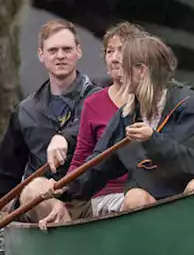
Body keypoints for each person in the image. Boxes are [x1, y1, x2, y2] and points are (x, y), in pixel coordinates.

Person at [40, 35, 194, 228]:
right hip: (148, 199)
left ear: (142, 71)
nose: (120, 74)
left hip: (182, 196)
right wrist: (65, 188)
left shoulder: (187, 102)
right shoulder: (126, 115)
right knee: (134, 197)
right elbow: (99, 164)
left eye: (125, 67)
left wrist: (152, 139)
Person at [0, 19, 100, 234]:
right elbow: (4, 171)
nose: (60, 55)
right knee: (33, 188)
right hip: (38, 201)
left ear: (78, 52)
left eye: (67, 49)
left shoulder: (99, 99)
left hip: (85, 198)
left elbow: (97, 126)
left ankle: (70, 231)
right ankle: (67, 232)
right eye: (53, 50)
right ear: (41, 55)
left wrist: (65, 138)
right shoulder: (25, 111)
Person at [60, 21, 149, 219]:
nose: (115, 58)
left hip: (152, 191)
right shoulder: (93, 104)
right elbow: (80, 157)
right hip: (108, 196)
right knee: (137, 199)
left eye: (122, 50)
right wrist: (65, 194)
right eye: (110, 52)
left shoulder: (155, 100)